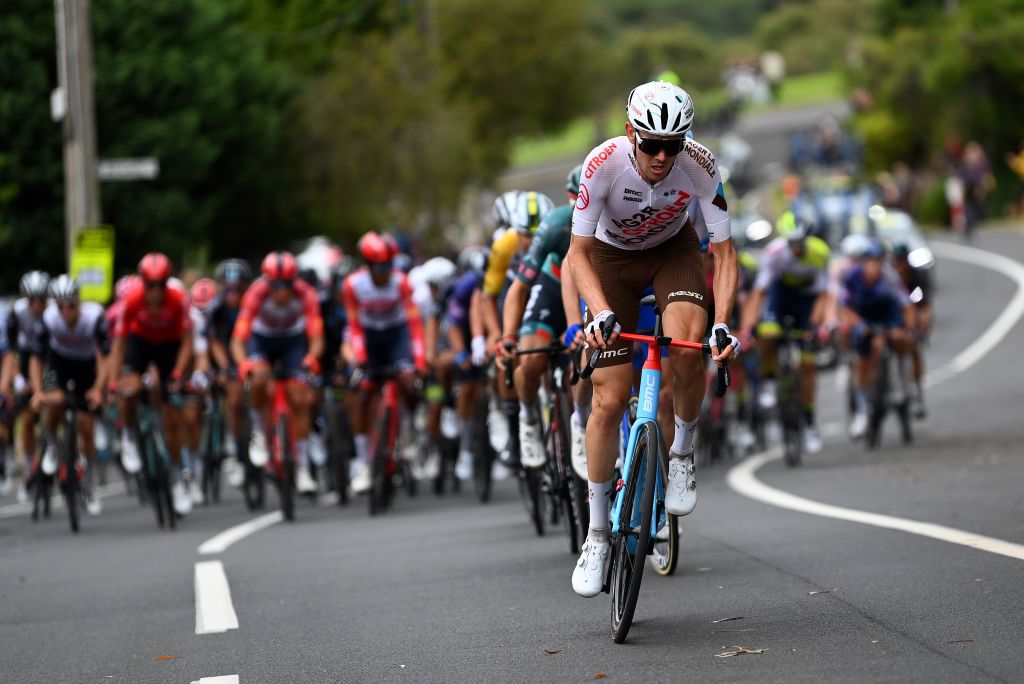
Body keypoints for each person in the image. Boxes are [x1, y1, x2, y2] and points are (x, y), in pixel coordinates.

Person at [564, 80, 739, 597]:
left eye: (673, 144)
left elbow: (724, 255)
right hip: (609, 260)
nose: (663, 156)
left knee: (689, 347)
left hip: (673, 252)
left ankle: (682, 452)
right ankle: (597, 533)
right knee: (610, 398)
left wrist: (723, 322)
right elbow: (576, 255)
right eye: (651, 144)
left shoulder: (702, 166)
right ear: (629, 133)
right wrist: (597, 313)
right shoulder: (603, 165)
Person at [496, 167, 580, 472]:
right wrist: (507, 336)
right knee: (531, 360)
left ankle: (583, 424)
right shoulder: (556, 226)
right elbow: (519, 288)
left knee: (587, 364)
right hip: (553, 287)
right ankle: (529, 416)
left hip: (593, 290)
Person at [231, 252, 324, 495]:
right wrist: (243, 364)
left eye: (287, 285)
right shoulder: (255, 294)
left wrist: (311, 358)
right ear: (267, 282)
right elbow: (238, 340)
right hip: (262, 341)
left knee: (300, 396)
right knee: (259, 378)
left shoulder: (306, 293)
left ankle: (302, 467)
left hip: (292, 342)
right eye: (276, 286)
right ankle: (260, 433)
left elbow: (316, 337)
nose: (282, 292)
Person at [108, 253, 194, 515]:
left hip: (169, 347)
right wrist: (113, 381)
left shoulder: (178, 300)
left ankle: (177, 477)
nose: (156, 292)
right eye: (150, 286)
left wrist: (178, 372)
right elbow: (120, 344)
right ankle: (130, 436)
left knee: (172, 417)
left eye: (161, 285)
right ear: (143, 284)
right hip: (141, 344)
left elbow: (188, 341)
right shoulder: (132, 302)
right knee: (129, 389)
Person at [341, 232, 427, 493]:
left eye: (390, 265)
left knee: (409, 381)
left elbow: (413, 324)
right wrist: (361, 357)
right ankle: (364, 462)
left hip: (396, 334)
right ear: (368, 266)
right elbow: (354, 325)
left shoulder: (401, 282)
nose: (386, 272)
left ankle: (410, 432)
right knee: (362, 394)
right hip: (368, 337)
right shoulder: (353, 285)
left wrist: (419, 360)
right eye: (380, 267)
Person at [741, 213, 832, 455]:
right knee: (768, 335)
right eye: (792, 243)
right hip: (780, 298)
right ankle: (770, 382)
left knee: (809, 365)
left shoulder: (820, 253)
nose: (797, 249)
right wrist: (749, 327)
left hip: (807, 302)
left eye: (801, 243)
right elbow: (759, 293)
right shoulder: (774, 254)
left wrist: (815, 324)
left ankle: (810, 423)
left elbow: (823, 295)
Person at [28, 275, 108, 515]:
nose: (66, 311)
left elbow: (105, 356)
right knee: (50, 406)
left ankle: (90, 482)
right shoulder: (48, 319)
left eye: (71, 305)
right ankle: (53, 445)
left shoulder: (94, 317)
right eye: (60, 306)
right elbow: (36, 358)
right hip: (60, 363)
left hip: (86, 366)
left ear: (79, 303)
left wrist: (98, 388)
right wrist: (37, 391)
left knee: (85, 425)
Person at [840, 240, 914, 438]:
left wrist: (906, 329)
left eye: (878, 262)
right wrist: (860, 325)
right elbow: (844, 307)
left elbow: (906, 305)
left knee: (902, 340)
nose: (874, 267)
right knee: (862, 359)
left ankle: (903, 382)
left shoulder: (890, 278)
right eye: (870, 262)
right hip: (863, 317)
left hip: (887, 315)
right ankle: (863, 410)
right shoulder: (852, 278)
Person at [207, 259, 252, 486]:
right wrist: (225, 367)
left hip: (252, 354)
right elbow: (215, 343)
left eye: (239, 289)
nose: (234, 295)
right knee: (233, 401)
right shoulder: (215, 309)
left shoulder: (253, 305)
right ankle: (235, 450)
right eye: (229, 289)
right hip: (227, 357)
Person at [7, 271, 50, 501]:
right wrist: (18, 379)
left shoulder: (54, 312)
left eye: (41, 299)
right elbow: (10, 353)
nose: (37, 305)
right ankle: (29, 472)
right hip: (25, 361)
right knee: (27, 419)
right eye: (32, 299)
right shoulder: (17, 312)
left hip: (48, 360)